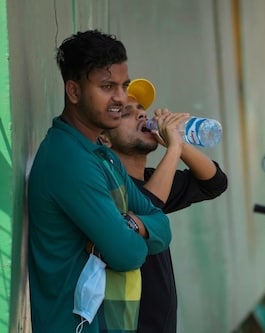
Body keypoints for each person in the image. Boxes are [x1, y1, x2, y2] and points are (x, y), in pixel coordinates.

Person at [27, 30, 172, 333]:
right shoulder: (69, 160)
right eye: (107, 86)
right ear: (74, 91)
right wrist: (134, 230)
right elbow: (127, 254)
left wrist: (132, 225)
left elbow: (162, 225)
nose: (120, 97)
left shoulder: (101, 156)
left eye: (124, 85)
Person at [98, 78, 228, 333]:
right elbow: (145, 208)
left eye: (142, 111)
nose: (140, 115)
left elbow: (214, 183)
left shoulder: (153, 179)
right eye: (127, 112)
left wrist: (177, 145)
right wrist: (174, 151)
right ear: (104, 138)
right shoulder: (106, 185)